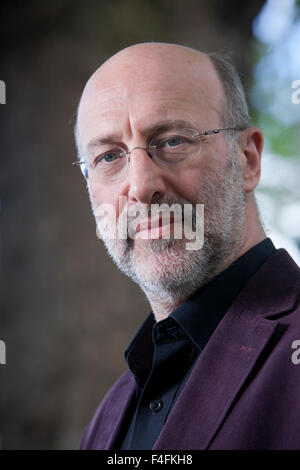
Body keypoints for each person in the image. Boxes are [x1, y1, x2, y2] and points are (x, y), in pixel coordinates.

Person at [73, 42, 300, 450]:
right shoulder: (109, 416)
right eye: (109, 157)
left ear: (247, 159)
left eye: (172, 141)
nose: (142, 186)